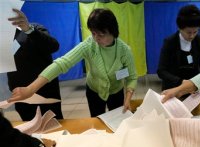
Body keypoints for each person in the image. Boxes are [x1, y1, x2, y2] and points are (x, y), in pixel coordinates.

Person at [8, 8, 138, 117]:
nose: (96, 38)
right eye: (93, 33)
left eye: (101, 34)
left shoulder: (124, 51)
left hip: (116, 92)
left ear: (113, 32)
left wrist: (127, 99)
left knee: (117, 120)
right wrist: (31, 89)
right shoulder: (89, 45)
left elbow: (131, 77)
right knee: (97, 120)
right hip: (94, 91)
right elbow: (62, 63)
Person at [7, 9, 63, 121]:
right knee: (29, 129)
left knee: (53, 127)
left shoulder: (34, 28)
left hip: (45, 92)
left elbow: (53, 46)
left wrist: (28, 29)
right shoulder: (4, 39)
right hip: (20, 95)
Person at [157, 5, 200, 91]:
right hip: (173, 88)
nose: (192, 36)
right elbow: (161, 71)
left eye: (195, 32)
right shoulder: (170, 42)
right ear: (180, 28)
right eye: (188, 32)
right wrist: (181, 82)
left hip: (194, 89)